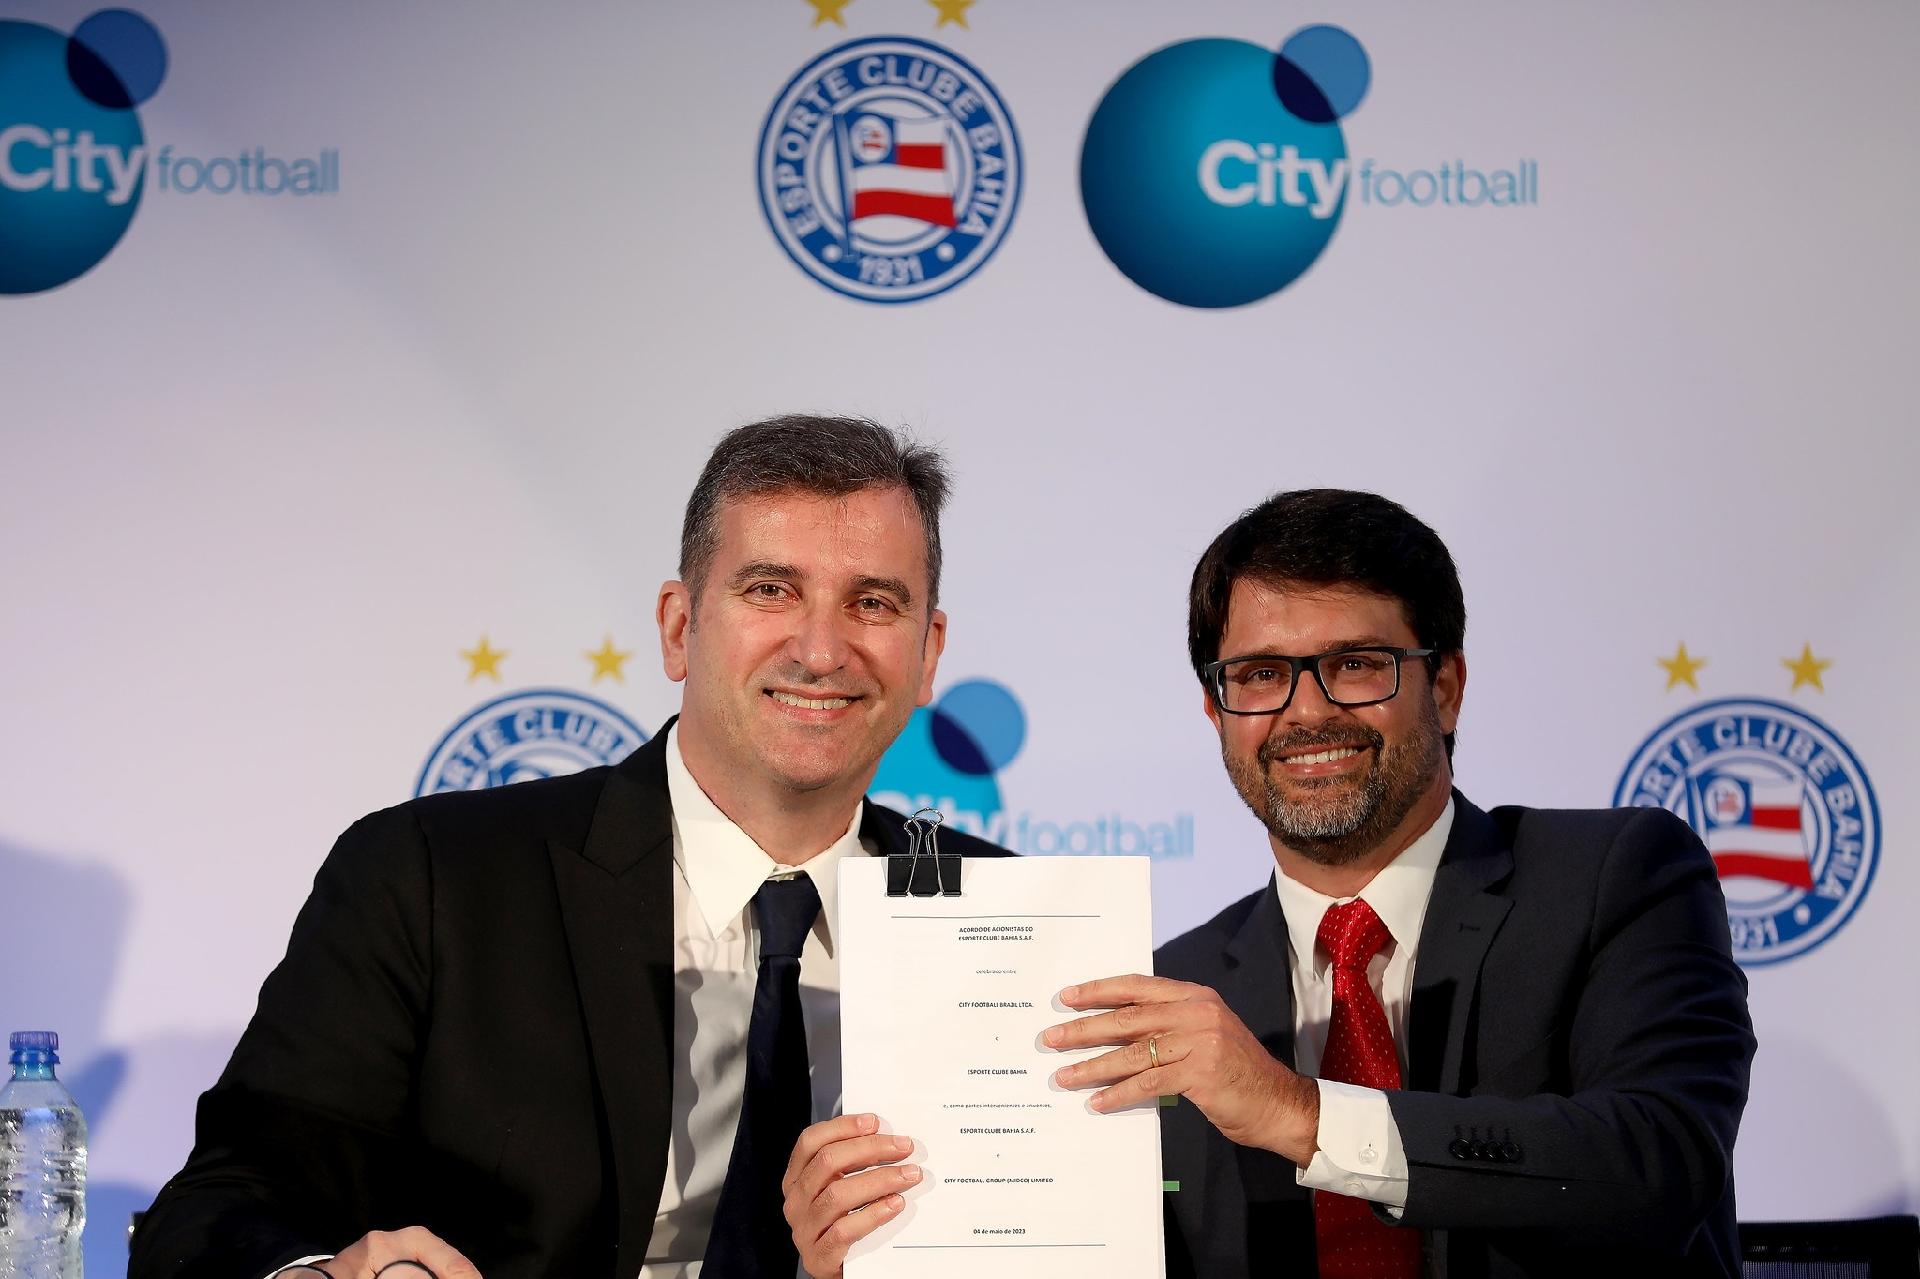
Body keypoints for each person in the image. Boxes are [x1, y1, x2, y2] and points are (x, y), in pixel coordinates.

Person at [130, 415, 1009, 1279]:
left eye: (872, 603)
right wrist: (315, 1276)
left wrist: (1150, 1112)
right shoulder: (432, 879)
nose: (822, 650)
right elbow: (222, 1204)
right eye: (771, 590)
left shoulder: (1010, 918)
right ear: (678, 626)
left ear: (927, 652)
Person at [1040, 489, 1756, 1277]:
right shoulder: (1180, 986)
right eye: (1260, 674)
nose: (1305, 711)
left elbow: (1658, 1169)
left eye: (1355, 665)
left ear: (1444, 686)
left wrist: (1297, 1111)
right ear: (1218, 715)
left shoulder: (1614, 876)